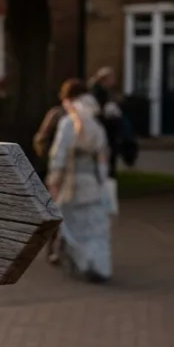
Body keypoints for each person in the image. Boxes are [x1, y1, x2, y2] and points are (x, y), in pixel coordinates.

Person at [47, 79, 112, 283]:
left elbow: (58, 155)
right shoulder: (97, 127)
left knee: (71, 223)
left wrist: (54, 181)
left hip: (71, 182)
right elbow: (102, 159)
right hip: (90, 181)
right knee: (93, 226)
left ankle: (80, 261)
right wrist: (102, 183)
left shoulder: (68, 124)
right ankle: (98, 265)